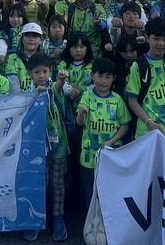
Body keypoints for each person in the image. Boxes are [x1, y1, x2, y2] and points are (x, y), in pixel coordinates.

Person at [76, 57, 130, 211]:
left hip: (110, 155)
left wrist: (111, 141)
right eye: (99, 76)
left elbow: (125, 126)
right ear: (92, 76)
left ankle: (109, 225)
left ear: (114, 78)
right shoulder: (87, 96)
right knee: (91, 192)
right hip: (89, 157)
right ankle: (92, 225)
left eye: (108, 77)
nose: (103, 81)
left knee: (110, 190)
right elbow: (79, 123)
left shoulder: (117, 100)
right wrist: (81, 113)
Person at [26, 52, 69, 242]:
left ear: (50, 71)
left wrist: (61, 80)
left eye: (44, 71)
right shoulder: (27, 93)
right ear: (30, 74)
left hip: (58, 144)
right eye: (37, 72)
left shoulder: (54, 87)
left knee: (58, 182)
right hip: (36, 147)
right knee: (39, 182)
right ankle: (35, 219)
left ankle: (58, 218)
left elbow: (60, 89)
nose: (41, 76)